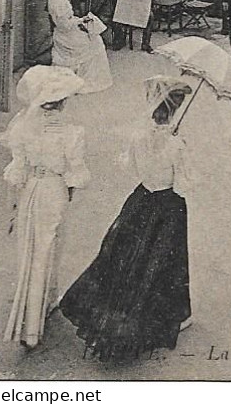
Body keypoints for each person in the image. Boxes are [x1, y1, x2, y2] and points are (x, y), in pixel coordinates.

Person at [60, 78, 194, 362]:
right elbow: (183, 185)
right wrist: (175, 149)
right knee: (165, 262)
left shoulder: (137, 136)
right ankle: (168, 318)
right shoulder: (176, 145)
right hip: (167, 207)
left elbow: (128, 165)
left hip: (141, 200)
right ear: (174, 112)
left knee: (123, 256)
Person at [0, 66, 89, 350]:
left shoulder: (23, 126)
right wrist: (67, 190)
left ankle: (35, 312)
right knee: (49, 249)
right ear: (62, 102)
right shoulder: (72, 133)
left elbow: (18, 168)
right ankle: (35, 324)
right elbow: (75, 174)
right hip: (53, 190)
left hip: (31, 189)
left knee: (31, 250)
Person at [47, 0, 112, 93]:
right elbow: (64, 24)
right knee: (96, 42)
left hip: (65, 32)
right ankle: (89, 80)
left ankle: (85, 77)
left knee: (94, 36)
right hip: (65, 35)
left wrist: (80, 20)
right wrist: (80, 21)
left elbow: (66, 19)